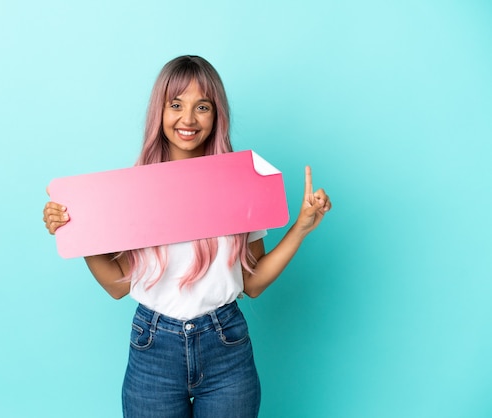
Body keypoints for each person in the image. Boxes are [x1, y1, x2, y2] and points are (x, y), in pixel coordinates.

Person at [43, 55, 331, 418]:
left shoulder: (242, 181)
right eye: (176, 105)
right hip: (153, 347)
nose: (188, 119)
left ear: (217, 114)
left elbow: (252, 283)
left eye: (202, 107)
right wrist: (78, 232)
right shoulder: (134, 188)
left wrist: (301, 227)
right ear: (159, 112)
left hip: (226, 345)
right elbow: (117, 285)